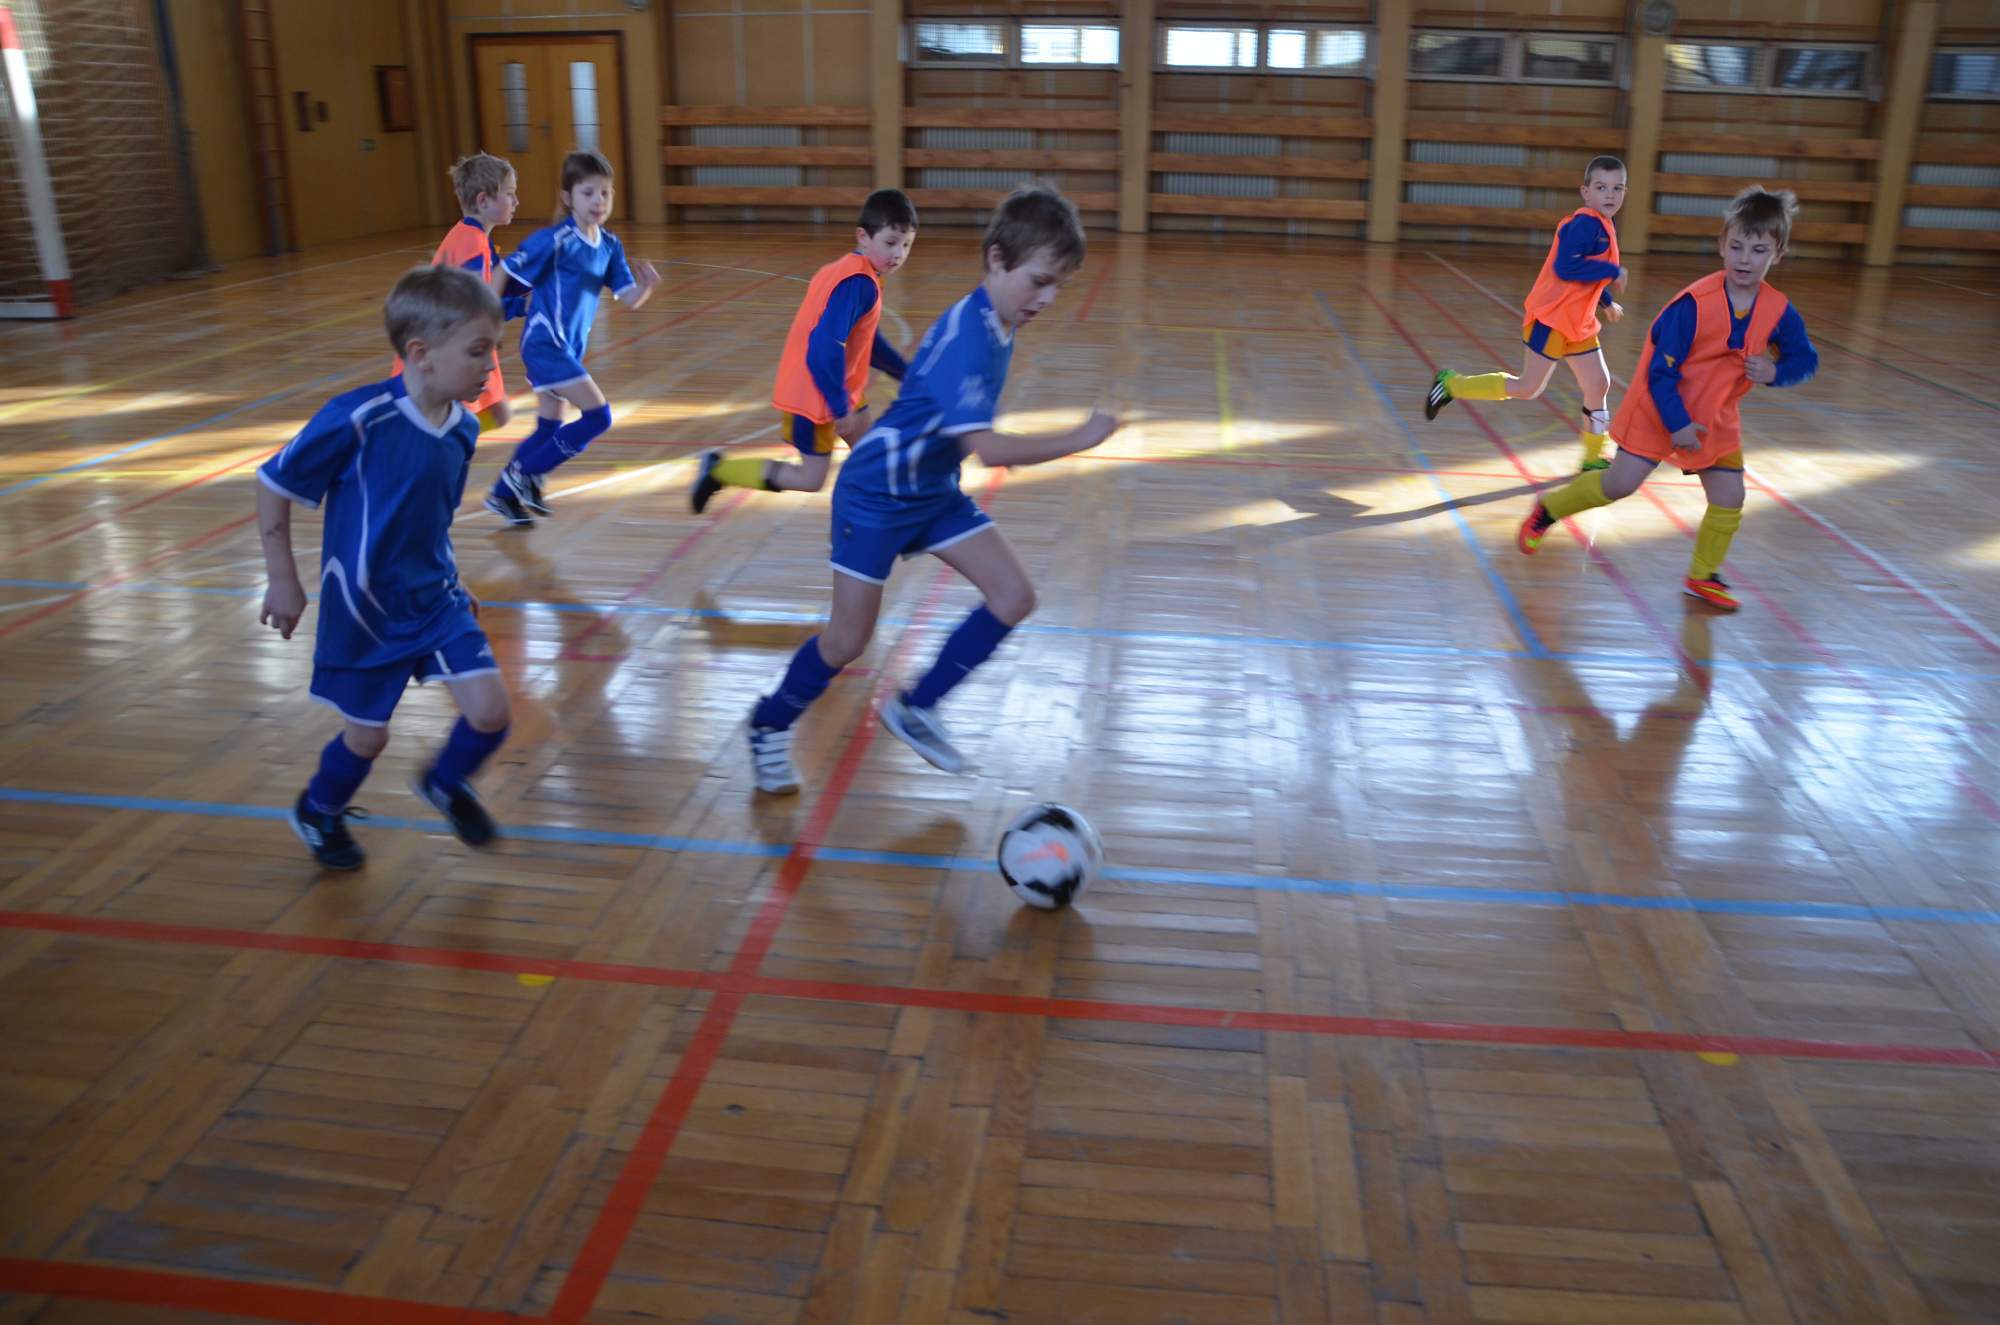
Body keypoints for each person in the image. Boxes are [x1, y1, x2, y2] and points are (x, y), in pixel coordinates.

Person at [743, 186, 1120, 793]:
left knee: (1013, 596)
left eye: (1058, 286)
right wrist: (1082, 437)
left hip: (931, 491)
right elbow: (989, 450)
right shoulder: (972, 335)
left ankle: (917, 707)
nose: (1048, 298)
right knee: (846, 641)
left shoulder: (997, 319)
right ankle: (769, 723)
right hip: (876, 496)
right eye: (1039, 281)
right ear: (997, 259)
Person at [258, 265, 515, 869]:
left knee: (491, 713)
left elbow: (430, 519)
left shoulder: (462, 428)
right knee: (368, 737)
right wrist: (283, 578)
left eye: (495, 350)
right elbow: (273, 483)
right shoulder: (357, 417)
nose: (491, 365)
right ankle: (318, 809)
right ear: (420, 354)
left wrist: (456, 579)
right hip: (365, 611)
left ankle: (445, 783)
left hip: (435, 599)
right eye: (478, 351)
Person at [1515, 186, 1819, 611]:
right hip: (1660, 409)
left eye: (1758, 250)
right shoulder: (1692, 306)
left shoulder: (1779, 311)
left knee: (1730, 497)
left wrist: (1777, 372)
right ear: (1722, 245)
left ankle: (1702, 576)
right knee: (1619, 484)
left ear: (1778, 254)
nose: (1745, 259)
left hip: (1714, 416)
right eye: (1736, 247)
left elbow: (1806, 359)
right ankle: (1548, 509)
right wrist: (1677, 424)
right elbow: (1661, 374)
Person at [692, 188, 918, 512]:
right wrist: (839, 407)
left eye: (906, 244)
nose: (898, 253)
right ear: (863, 237)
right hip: (814, 394)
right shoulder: (858, 284)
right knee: (812, 478)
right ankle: (719, 470)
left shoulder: (852, 271)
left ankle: (888, 515)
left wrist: (907, 376)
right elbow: (822, 350)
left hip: (836, 384)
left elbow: (869, 342)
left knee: (873, 455)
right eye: (891, 242)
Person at [485, 149, 660, 525]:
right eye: (588, 193)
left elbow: (630, 298)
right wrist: (490, 323)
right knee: (598, 416)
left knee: (549, 425)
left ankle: (503, 494)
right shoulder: (555, 240)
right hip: (544, 346)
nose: (598, 201)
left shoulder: (609, 245)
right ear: (568, 198)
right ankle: (523, 474)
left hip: (568, 350)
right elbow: (502, 273)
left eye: (605, 193)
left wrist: (646, 285)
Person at [1426, 155, 1630, 473]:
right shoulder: (1584, 225)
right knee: (1528, 388)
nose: (1610, 195)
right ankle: (1452, 384)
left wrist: (1605, 302)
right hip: (1551, 320)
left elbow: (1587, 273)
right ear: (1586, 192)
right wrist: (1612, 272)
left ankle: (1593, 456)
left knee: (1598, 384)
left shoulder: (1604, 225)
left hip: (1578, 323)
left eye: (1617, 188)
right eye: (1601, 187)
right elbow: (1567, 267)